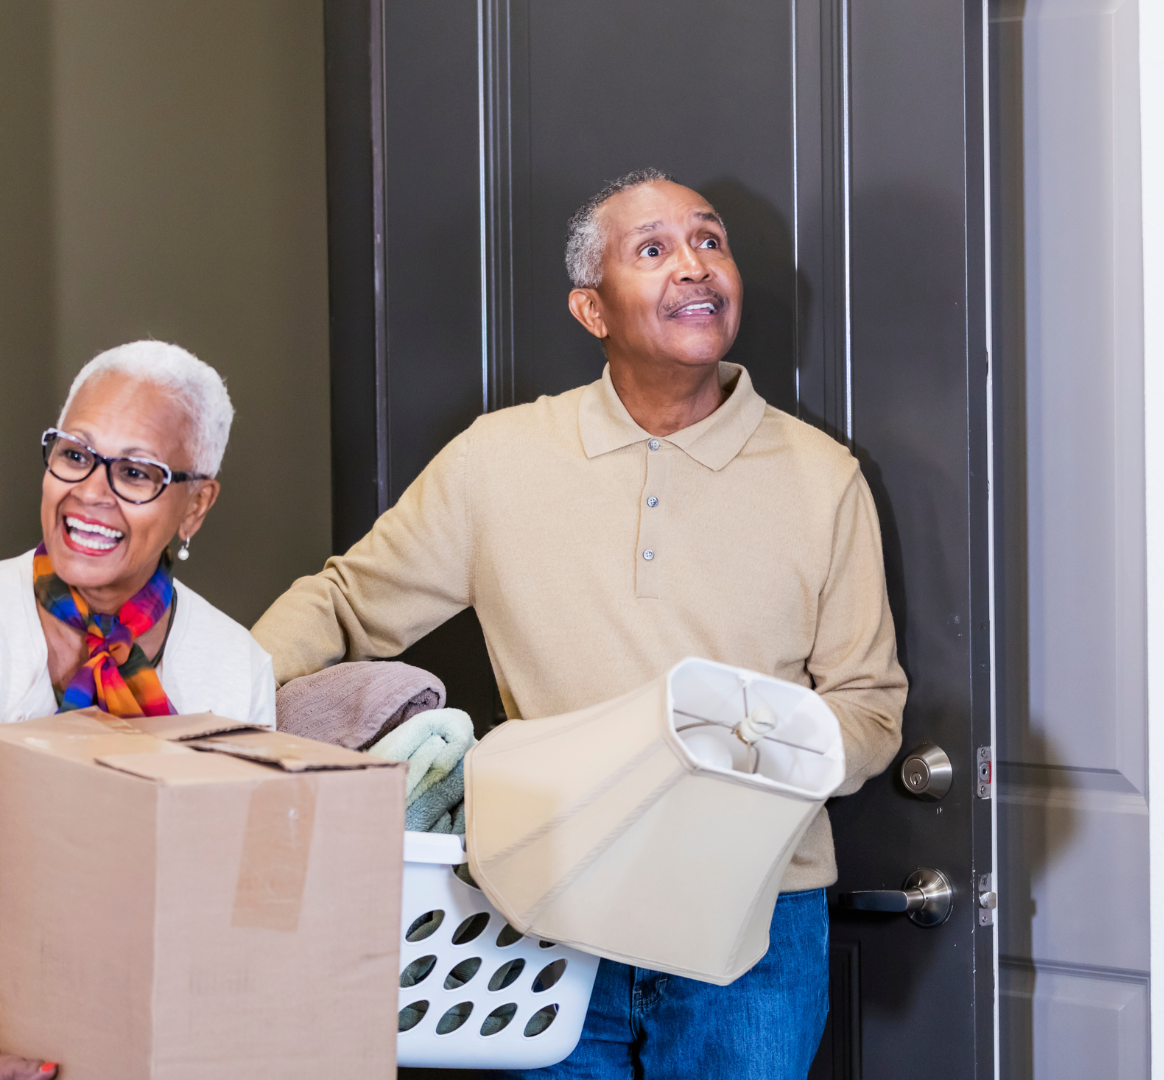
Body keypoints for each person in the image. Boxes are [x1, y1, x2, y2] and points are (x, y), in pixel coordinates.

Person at [252, 169, 907, 1078]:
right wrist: (210, 710)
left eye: (709, 241)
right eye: (654, 250)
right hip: (546, 917)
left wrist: (743, 749)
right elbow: (344, 604)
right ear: (592, 311)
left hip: (756, 925)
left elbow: (869, 709)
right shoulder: (497, 460)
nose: (694, 266)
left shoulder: (823, 475)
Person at [0, 341, 277, 1080]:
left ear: (196, 506)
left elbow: (238, 910)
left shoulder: (232, 666)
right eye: (75, 454)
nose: (92, 492)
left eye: (137, 472)